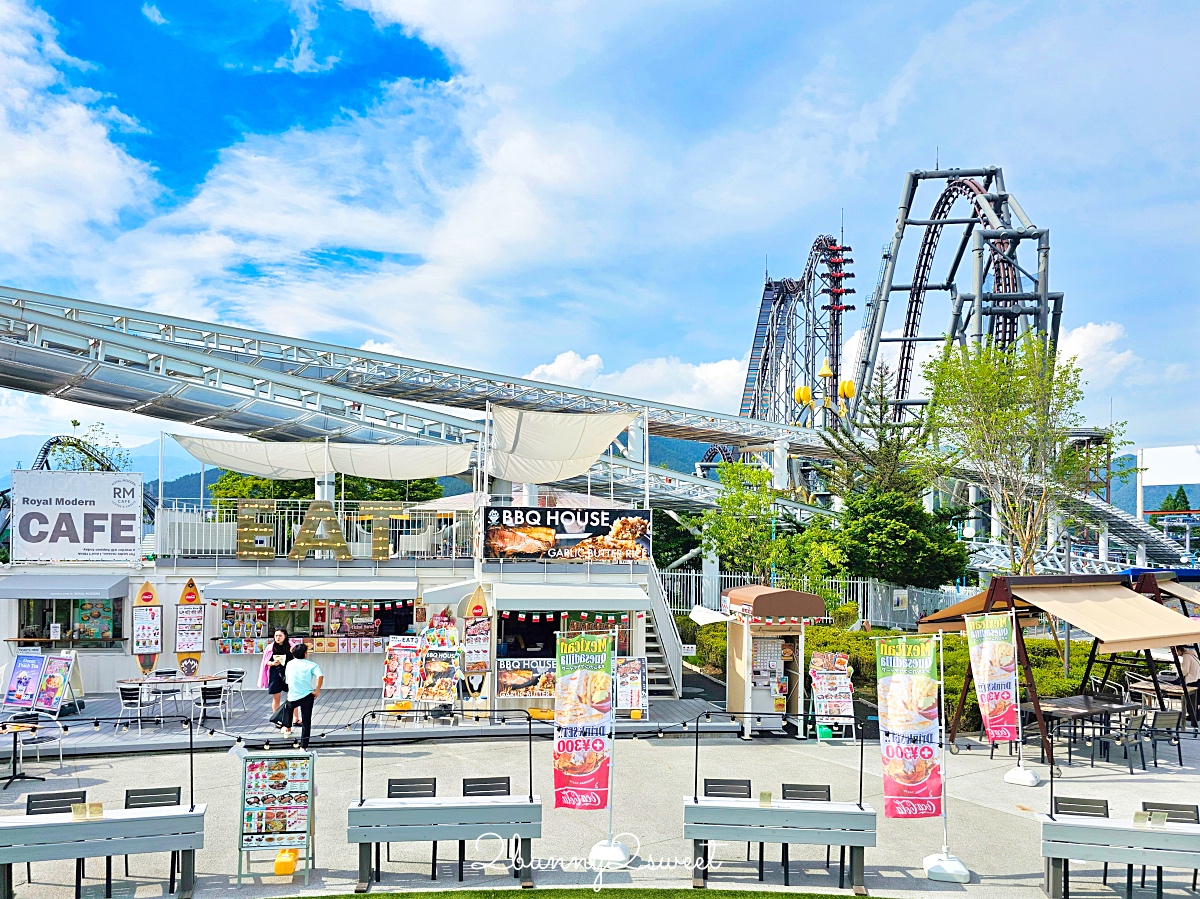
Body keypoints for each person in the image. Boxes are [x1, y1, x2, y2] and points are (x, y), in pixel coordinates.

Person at [278, 643, 323, 749]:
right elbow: (320, 676)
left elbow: (288, 680)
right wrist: (317, 690)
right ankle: (303, 747)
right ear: (305, 654)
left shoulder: (289, 664)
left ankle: (287, 728)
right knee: (306, 722)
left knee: (288, 708)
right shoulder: (312, 665)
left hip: (293, 695)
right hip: (308, 695)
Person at [261, 628, 293, 721]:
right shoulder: (270, 647)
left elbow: (297, 657)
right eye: (276, 636)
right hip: (275, 672)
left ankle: (295, 718)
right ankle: (276, 718)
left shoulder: (291, 646)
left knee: (293, 697)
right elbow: (265, 661)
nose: (278, 638)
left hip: (289, 672)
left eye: (280, 636)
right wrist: (272, 663)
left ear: (285, 636)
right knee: (276, 697)